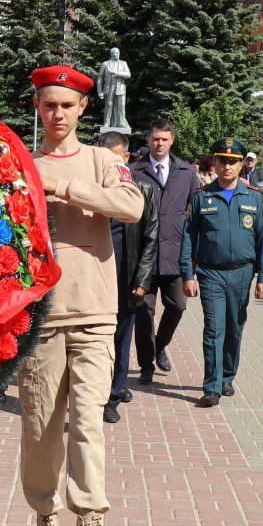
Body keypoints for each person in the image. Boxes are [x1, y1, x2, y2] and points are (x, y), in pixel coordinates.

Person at [18, 64, 144, 526]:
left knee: (88, 421)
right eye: (49, 105)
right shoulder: (21, 165)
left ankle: (89, 514)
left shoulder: (101, 161)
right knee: (41, 426)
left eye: (67, 106)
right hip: (41, 317)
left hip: (93, 313)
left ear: (83, 108)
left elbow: (132, 207)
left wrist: (64, 189)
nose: (58, 114)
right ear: (38, 107)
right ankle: (45, 511)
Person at [179, 137, 263, 407]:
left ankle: (227, 376)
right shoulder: (201, 198)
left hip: (243, 273)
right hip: (211, 274)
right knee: (213, 329)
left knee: (234, 328)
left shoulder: (253, 197)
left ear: (242, 165)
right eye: (222, 160)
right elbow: (188, 239)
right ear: (215, 163)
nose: (227, 166)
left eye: (233, 161)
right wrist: (187, 274)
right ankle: (211, 386)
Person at [130, 119, 199, 382]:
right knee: (143, 312)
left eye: (164, 139)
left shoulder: (185, 171)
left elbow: (195, 212)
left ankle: (160, 345)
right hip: (144, 256)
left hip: (174, 253)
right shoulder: (135, 170)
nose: (159, 143)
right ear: (148, 140)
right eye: (155, 139)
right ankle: (146, 365)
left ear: (172, 141)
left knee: (178, 305)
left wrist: (193, 255)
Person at [101, 128, 158, 424]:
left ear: (126, 158)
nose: (112, 167)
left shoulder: (143, 189)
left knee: (122, 339)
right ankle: (92, 394)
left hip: (127, 280)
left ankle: (112, 396)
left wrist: (142, 280)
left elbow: (151, 238)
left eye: (116, 161)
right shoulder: (90, 190)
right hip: (95, 281)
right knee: (96, 343)